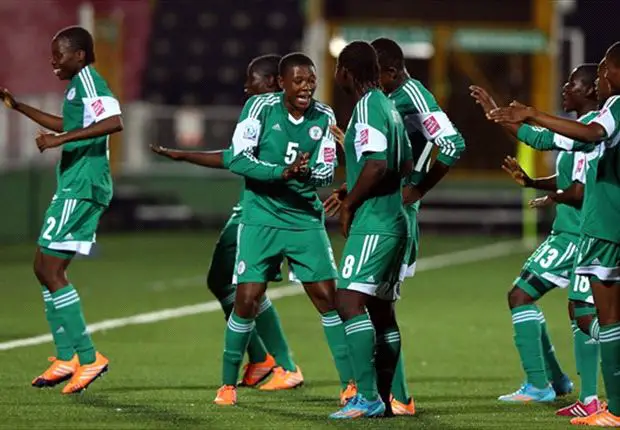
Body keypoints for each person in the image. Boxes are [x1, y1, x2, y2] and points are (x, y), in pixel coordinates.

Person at [487, 42, 620, 427]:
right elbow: (547, 140)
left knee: (595, 316)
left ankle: (600, 403)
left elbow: (590, 139)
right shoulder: (599, 120)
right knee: (592, 315)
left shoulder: (610, 111)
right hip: (598, 227)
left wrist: (534, 113)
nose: (601, 77)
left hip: (598, 229)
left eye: (604, 70)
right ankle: (596, 403)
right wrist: (509, 118)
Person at [213, 53, 355, 406]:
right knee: (246, 298)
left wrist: (305, 173)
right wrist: (282, 172)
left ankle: (350, 384)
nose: (307, 87)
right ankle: (227, 386)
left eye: (312, 80)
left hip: (303, 219)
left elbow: (326, 171)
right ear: (281, 83)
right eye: (299, 81)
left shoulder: (324, 116)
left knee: (328, 299)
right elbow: (238, 159)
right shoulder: (258, 107)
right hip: (260, 216)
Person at [151, 54, 299, 389]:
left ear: (273, 82)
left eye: (252, 79)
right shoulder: (277, 113)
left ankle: (284, 365)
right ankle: (263, 359)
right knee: (232, 282)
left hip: (263, 212)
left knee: (244, 284)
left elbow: (238, 160)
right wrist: (184, 155)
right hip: (260, 208)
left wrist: (185, 155)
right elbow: (236, 157)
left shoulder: (270, 112)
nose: (246, 86)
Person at [0, 26, 123, 394]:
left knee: (50, 269)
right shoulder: (75, 87)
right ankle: (67, 357)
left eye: (59, 54)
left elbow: (113, 122)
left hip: (83, 185)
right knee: (44, 267)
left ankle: (87, 357)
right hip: (75, 183)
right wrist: (19, 106)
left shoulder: (89, 81)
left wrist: (61, 140)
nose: (53, 61)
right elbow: (69, 123)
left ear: (79, 55)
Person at [328, 40, 413, 419]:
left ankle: (366, 397)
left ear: (346, 72)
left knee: (348, 302)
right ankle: (383, 398)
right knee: (381, 312)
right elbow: (404, 163)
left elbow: (377, 164)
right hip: (396, 218)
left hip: (375, 223)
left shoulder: (366, 107)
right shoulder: (388, 106)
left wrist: (350, 202)